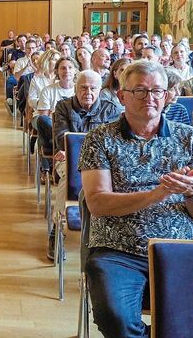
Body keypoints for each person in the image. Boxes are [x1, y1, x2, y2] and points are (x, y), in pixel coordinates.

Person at [79, 61, 193, 338]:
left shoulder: (190, 139)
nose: (151, 98)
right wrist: (157, 194)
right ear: (122, 96)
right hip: (118, 250)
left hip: (182, 248)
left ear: (167, 95)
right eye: (141, 91)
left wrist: (192, 191)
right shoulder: (100, 139)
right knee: (116, 318)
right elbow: (98, 203)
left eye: (158, 91)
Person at [47, 70, 122, 260]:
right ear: (75, 88)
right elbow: (61, 140)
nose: (88, 92)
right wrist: (75, 152)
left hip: (102, 163)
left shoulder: (110, 108)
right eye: (83, 87)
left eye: (92, 88)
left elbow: (113, 143)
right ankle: (58, 229)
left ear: (99, 89)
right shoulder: (63, 106)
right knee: (70, 176)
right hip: (69, 160)